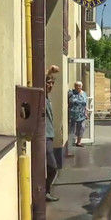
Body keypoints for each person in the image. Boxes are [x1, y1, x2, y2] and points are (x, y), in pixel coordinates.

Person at [45, 65, 60, 202]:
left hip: (49, 136)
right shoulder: (41, 95)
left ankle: (45, 190)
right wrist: (48, 71)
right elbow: (37, 79)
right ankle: (45, 190)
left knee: (49, 167)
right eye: (48, 83)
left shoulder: (47, 97)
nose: (50, 86)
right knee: (53, 167)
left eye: (52, 83)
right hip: (43, 138)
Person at [69, 81, 88, 147]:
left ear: (81, 86)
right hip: (73, 113)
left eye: (79, 85)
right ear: (74, 86)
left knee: (81, 128)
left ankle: (79, 142)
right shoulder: (71, 93)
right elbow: (71, 101)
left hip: (82, 113)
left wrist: (86, 112)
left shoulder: (84, 94)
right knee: (72, 128)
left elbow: (85, 103)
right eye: (77, 85)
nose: (78, 87)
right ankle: (71, 142)